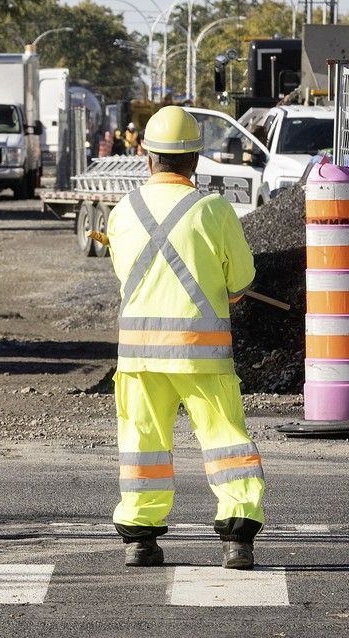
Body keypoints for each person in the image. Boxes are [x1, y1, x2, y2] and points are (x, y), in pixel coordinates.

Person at [105, 105, 265, 570]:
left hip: (138, 360)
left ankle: (140, 538)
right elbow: (242, 278)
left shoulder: (122, 211)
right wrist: (227, 289)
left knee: (143, 445)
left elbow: (125, 277)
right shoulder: (213, 210)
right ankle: (238, 540)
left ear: (148, 158)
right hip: (202, 356)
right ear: (195, 160)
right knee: (225, 442)